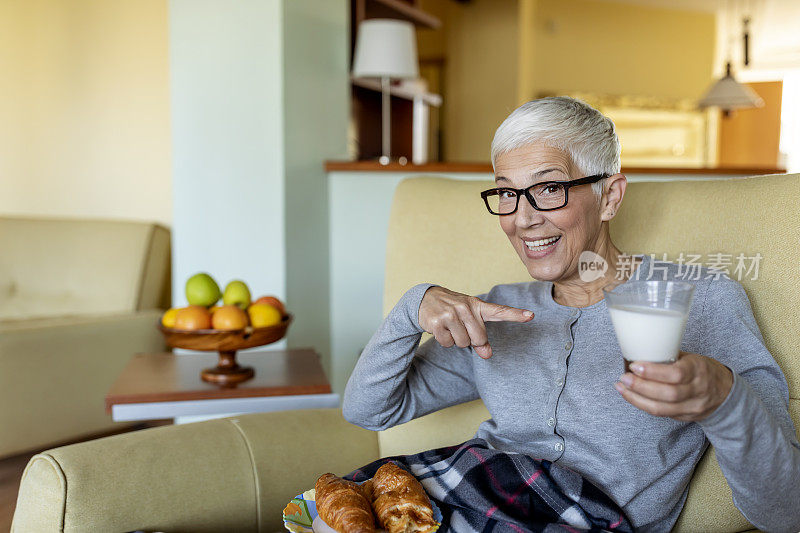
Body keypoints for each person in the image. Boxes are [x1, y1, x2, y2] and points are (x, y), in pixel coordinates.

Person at [342, 96, 800, 532]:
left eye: (548, 188)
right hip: (460, 504)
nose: (522, 219)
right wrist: (412, 307)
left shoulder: (700, 300)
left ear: (610, 197)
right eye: (506, 194)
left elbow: (786, 511)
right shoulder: (498, 311)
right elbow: (369, 409)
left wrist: (725, 398)